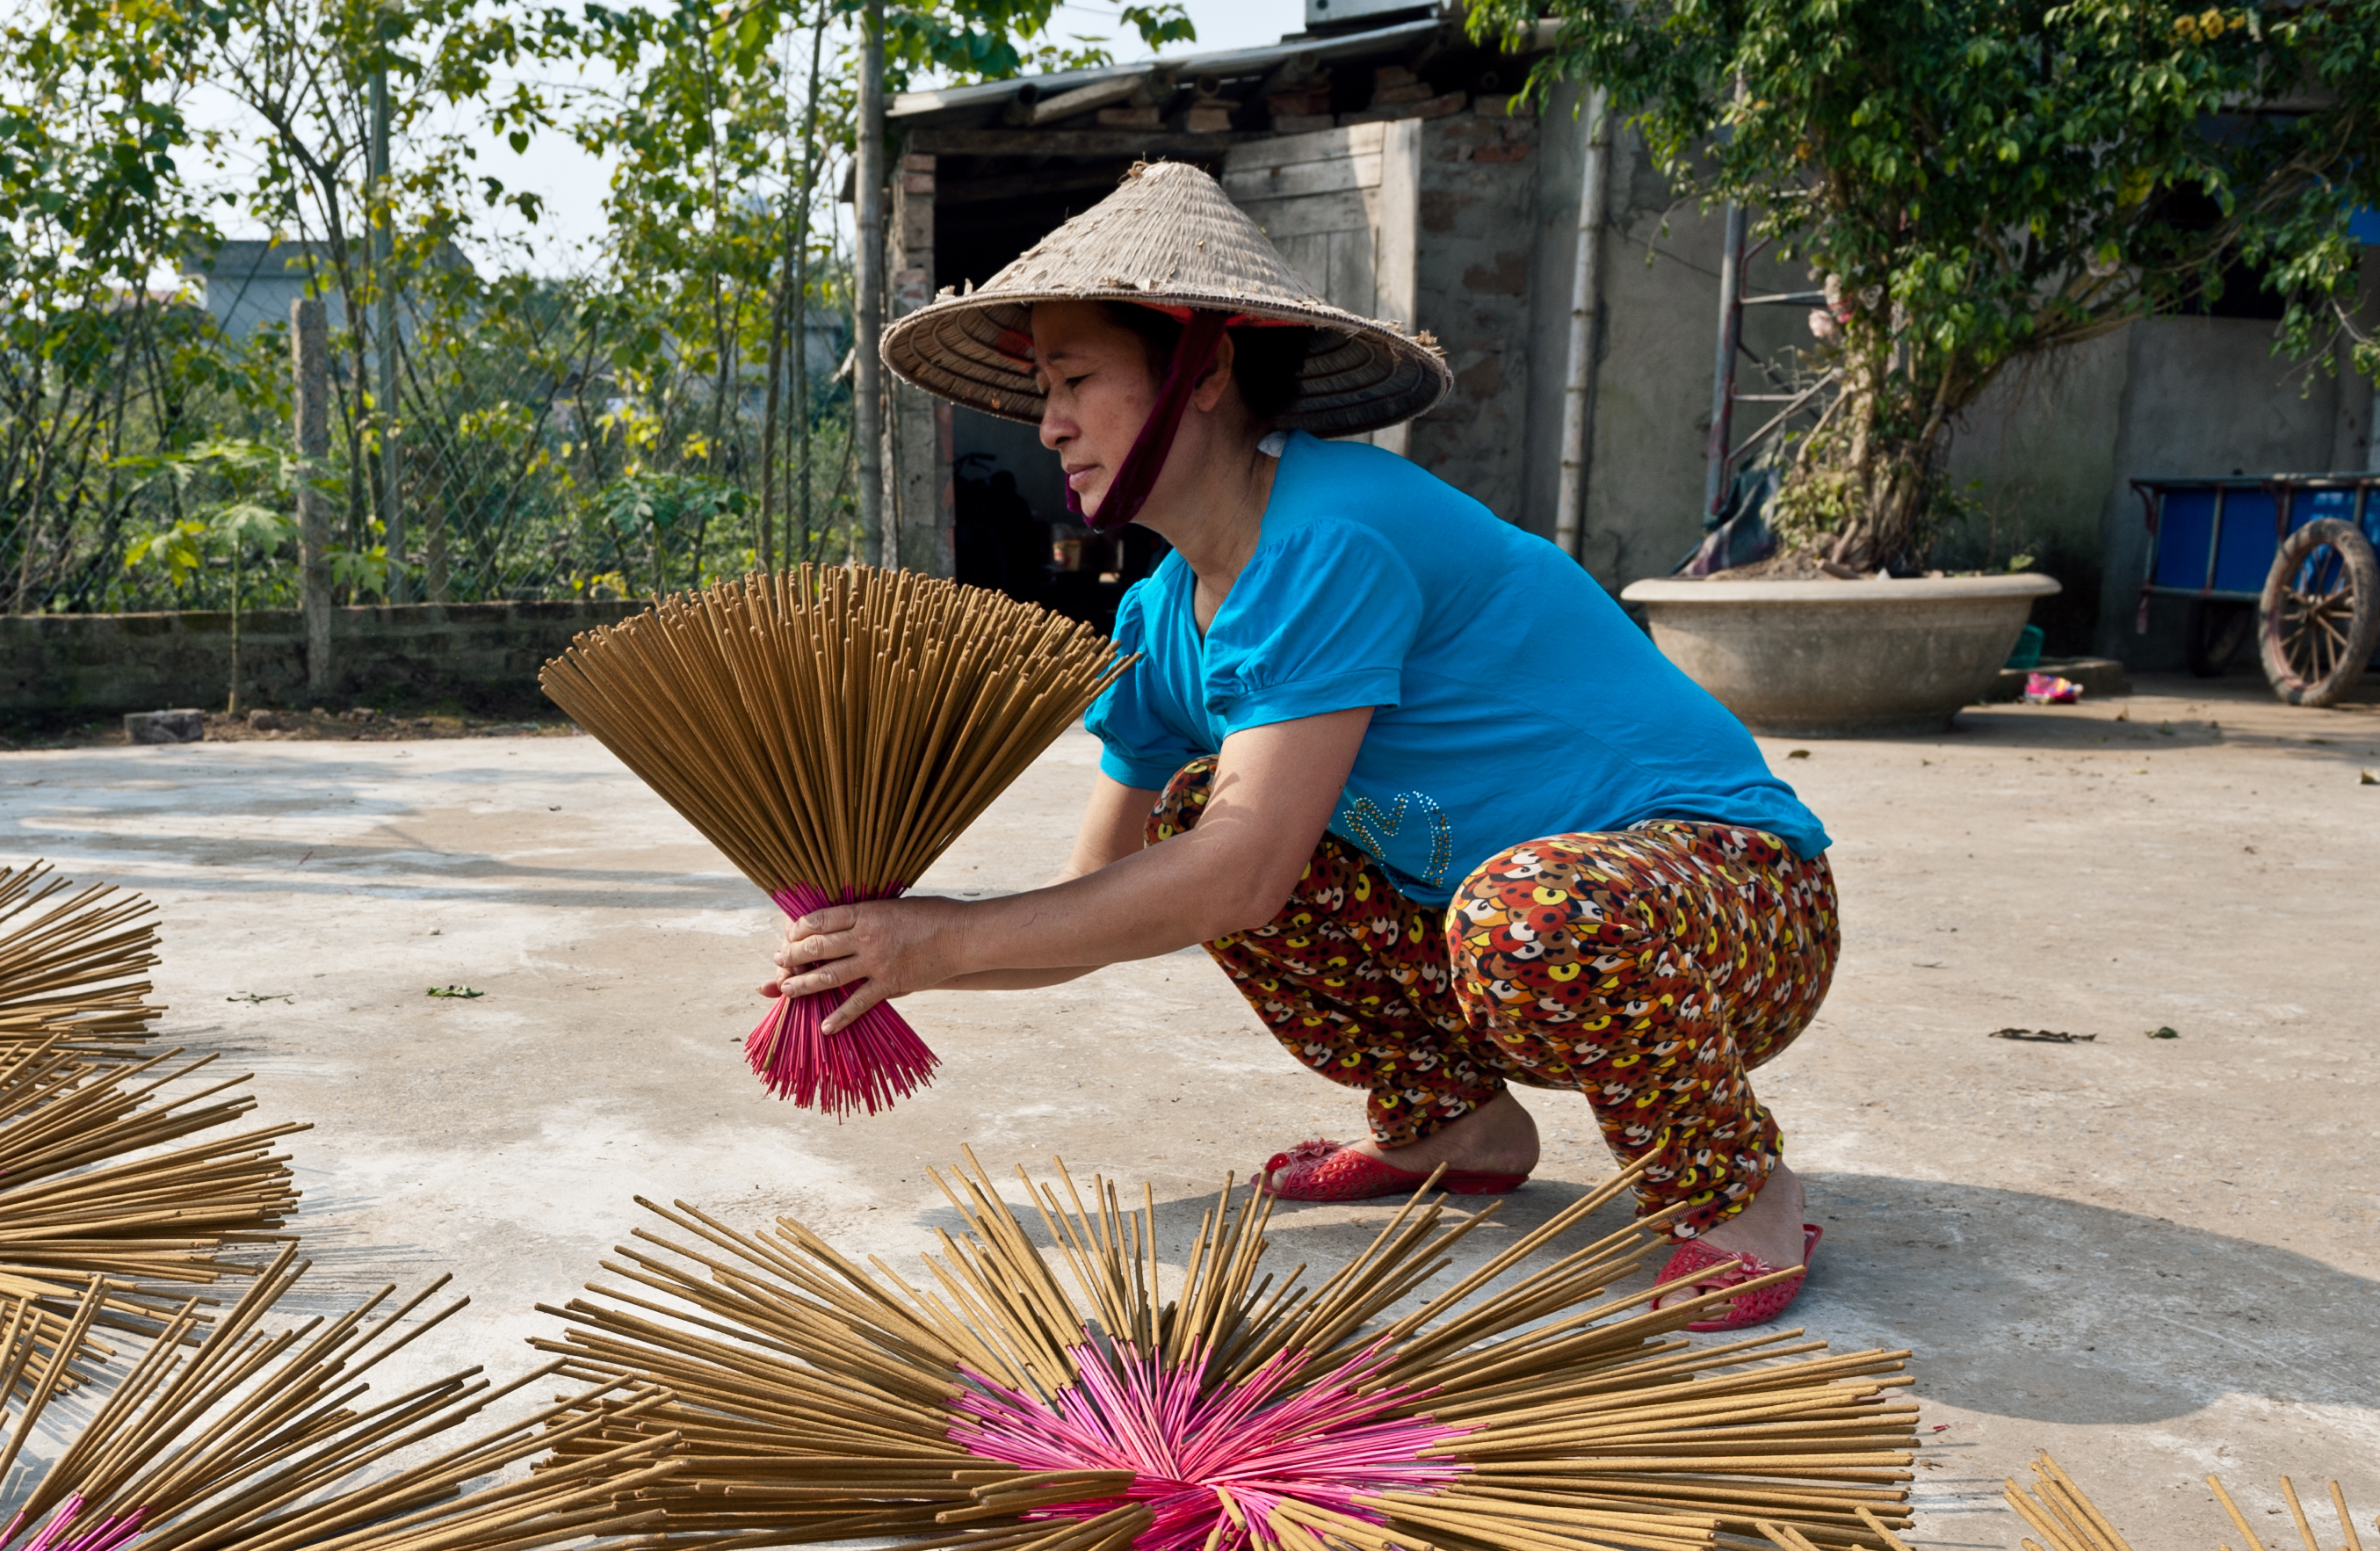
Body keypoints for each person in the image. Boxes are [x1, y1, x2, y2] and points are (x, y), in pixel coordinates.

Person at [776, 162, 1839, 1326]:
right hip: (1523, 937)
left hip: (1735, 903)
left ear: (1205, 369)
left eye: (1078, 378)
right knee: (1190, 814)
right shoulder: (1158, 621)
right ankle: (1458, 1128)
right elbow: (1099, 902)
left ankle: (1737, 1191)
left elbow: (1245, 869)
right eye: (1043, 390)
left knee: (1502, 911)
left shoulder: (1337, 531)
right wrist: (884, 954)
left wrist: (936, 943)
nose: (1052, 425)